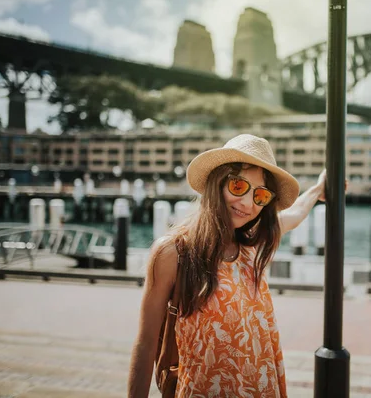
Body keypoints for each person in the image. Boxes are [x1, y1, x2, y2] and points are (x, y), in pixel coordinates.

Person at [128, 134, 329, 397]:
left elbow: (293, 215)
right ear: (217, 183)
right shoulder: (174, 253)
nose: (248, 203)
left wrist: (318, 189)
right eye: (238, 187)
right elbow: (145, 344)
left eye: (260, 195)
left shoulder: (251, 246)